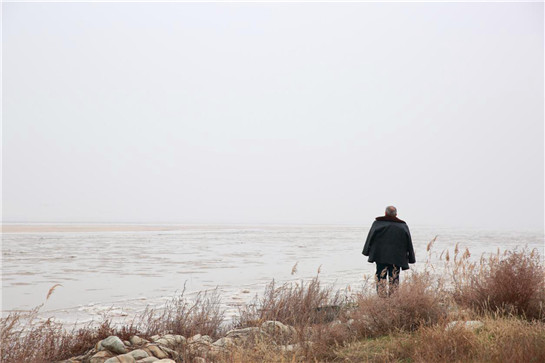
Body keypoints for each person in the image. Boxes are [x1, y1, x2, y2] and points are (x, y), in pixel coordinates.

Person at [362, 206, 416, 296]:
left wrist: (366, 251)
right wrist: (411, 258)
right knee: (394, 279)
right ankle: (393, 299)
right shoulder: (403, 226)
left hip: (380, 256)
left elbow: (369, 238)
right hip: (397, 258)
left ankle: (382, 298)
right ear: (396, 215)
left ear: (385, 213)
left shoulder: (377, 224)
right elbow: (409, 243)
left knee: (380, 277)